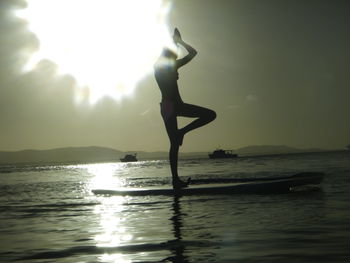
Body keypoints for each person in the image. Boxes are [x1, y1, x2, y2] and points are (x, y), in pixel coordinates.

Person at [154, 28, 216, 190]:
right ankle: (175, 179)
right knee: (209, 116)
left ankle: (175, 179)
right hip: (172, 106)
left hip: (171, 106)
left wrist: (175, 42)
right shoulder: (167, 65)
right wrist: (179, 41)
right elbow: (193, 53)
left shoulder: (162, 66)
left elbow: (189, 54)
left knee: (209, 116)